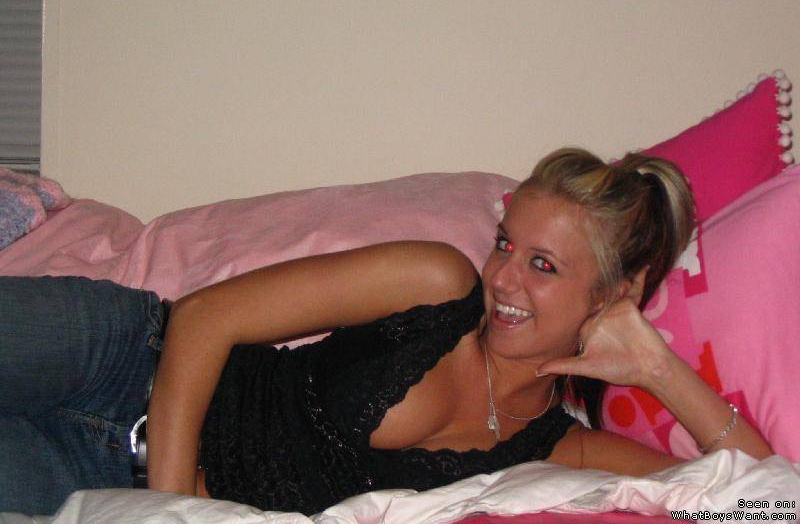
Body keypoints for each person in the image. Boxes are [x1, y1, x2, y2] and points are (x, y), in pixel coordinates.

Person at [0, 148, 773, 516]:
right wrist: (172, 512)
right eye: (506, 244)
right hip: (118, 356)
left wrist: (658, 368)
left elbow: (765, 500)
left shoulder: (563, 452)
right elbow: (206, 317)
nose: (504, 278)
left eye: (544, 265)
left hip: (90, 474)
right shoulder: (437, 285)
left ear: (615, 294)